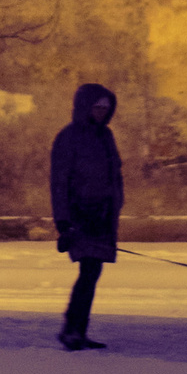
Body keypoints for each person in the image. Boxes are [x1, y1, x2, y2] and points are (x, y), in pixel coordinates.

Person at [48, 82, 123, 350]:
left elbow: (114, 175)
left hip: (102, 218)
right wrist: (64, 222)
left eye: (106, 107)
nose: (102, 112)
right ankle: (72, 329)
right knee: (89, 271)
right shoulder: (69, 138)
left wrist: (115, 205)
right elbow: (59, 182)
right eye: (97, 107)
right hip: (80, 218)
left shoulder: (106, 136)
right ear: (85, 107)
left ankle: (76, 329)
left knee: (92, 272)